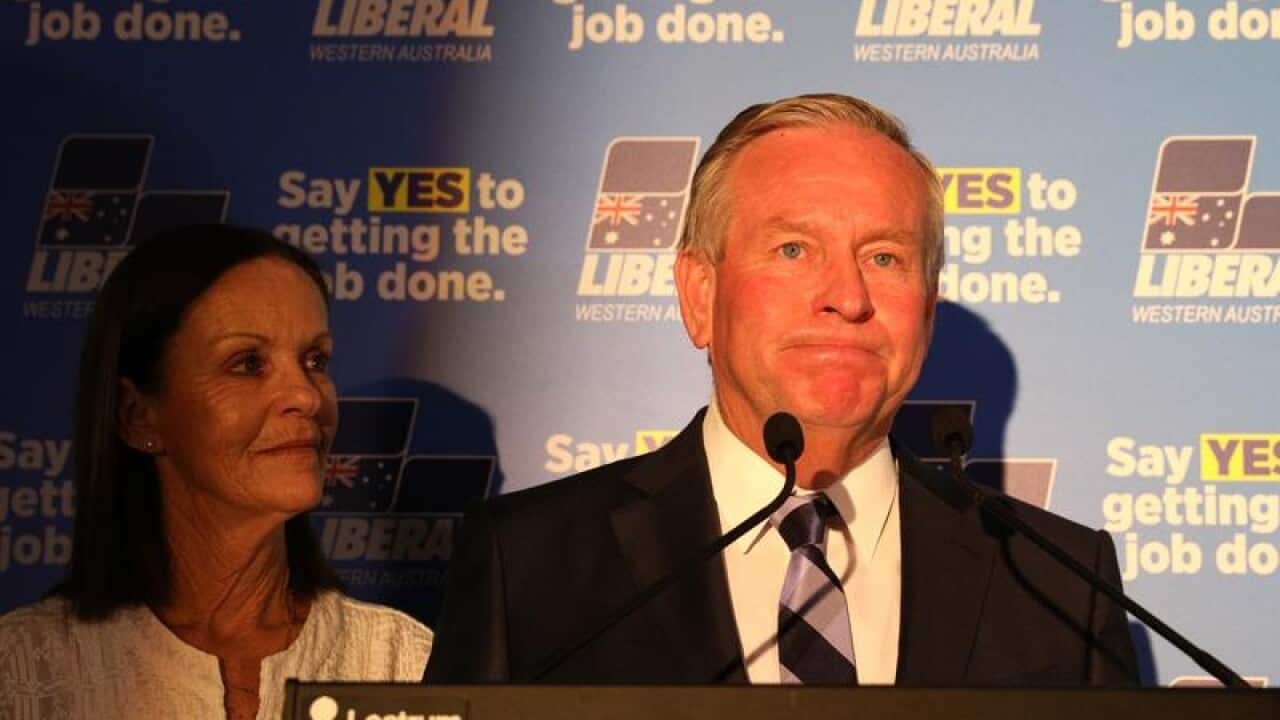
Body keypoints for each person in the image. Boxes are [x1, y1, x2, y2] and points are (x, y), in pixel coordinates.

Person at [426, 94, 1138, 686]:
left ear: (927, 306)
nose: (847, 297)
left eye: (885, 256)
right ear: (700, 295)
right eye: (793, 249)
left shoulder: (1061, 585)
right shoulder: (529, 565)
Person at [0, 225, 432, 719]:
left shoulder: (403, 661)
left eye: (315, 359)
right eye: (248, 363)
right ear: (138, 414)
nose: (307, 396)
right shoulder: (22, 671)